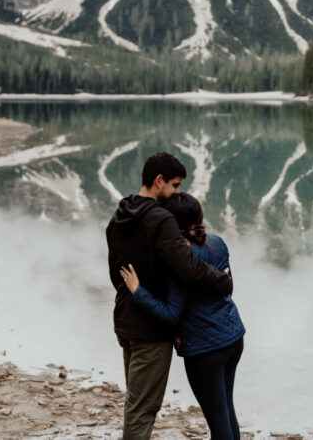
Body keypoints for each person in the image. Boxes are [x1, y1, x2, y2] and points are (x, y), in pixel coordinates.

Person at [106, 152, 234, 440]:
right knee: (142, 410)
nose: (178, 193)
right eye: (175, 185)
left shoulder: (119, 216)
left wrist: (136, 291)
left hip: (125, 321)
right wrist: (222, 281)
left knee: (135, 402)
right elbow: (188, 269)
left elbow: (116, 274)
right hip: (151, 327)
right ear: (158, 181)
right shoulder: (161, 219)